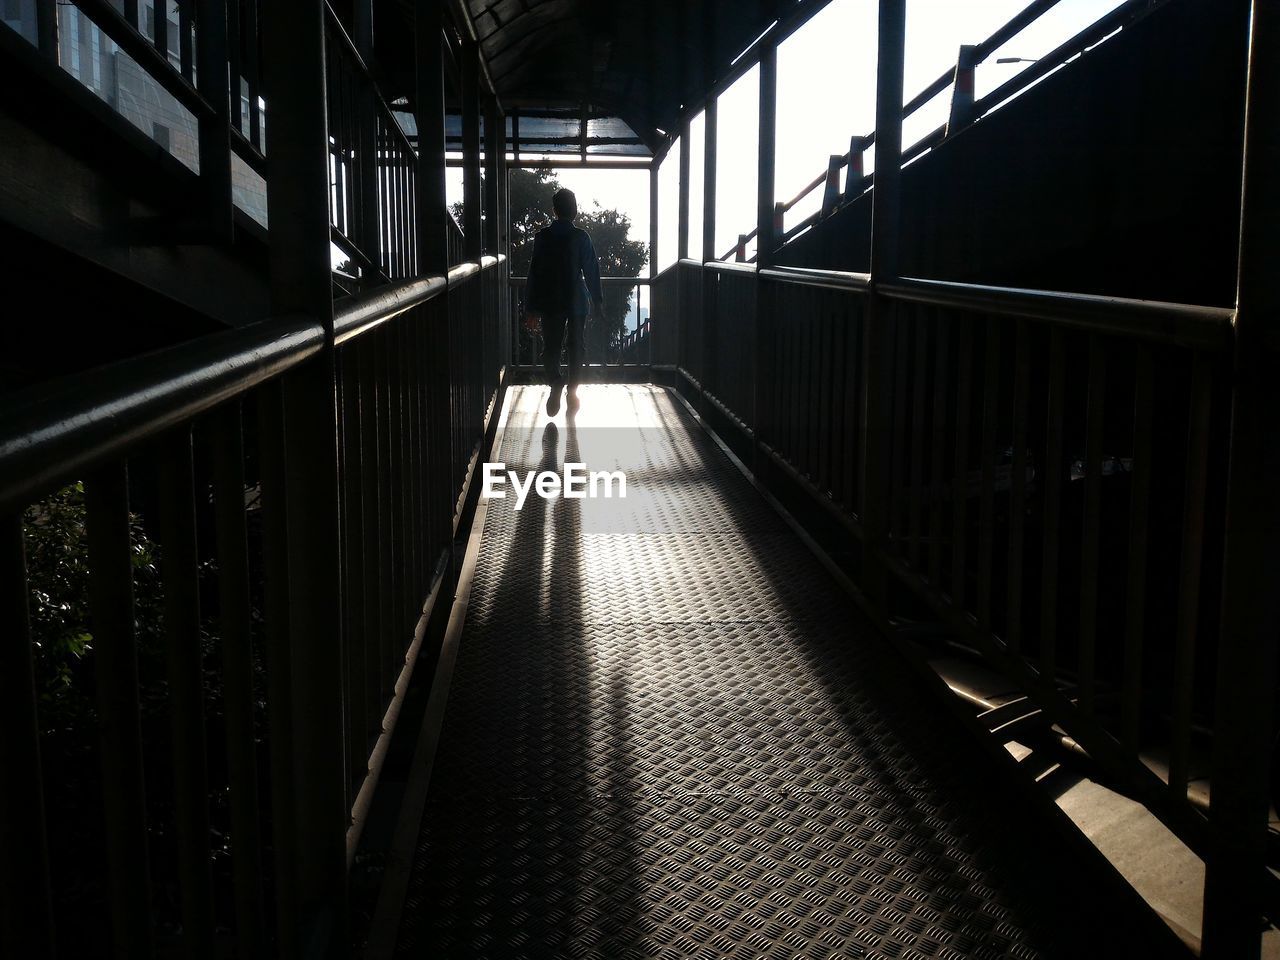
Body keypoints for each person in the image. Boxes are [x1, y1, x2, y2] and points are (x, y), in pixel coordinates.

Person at [524, 188, 603, 416]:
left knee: (551, 348)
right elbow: (591, 271)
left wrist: (530, 307)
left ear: (554, 210)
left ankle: (556, 381)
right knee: (577, 346)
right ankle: (573, 391)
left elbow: (534, 273)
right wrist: (597, 300)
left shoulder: (542, 237)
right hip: (577, 300)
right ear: (575, 210)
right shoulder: (581, 237)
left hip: (550, 301)